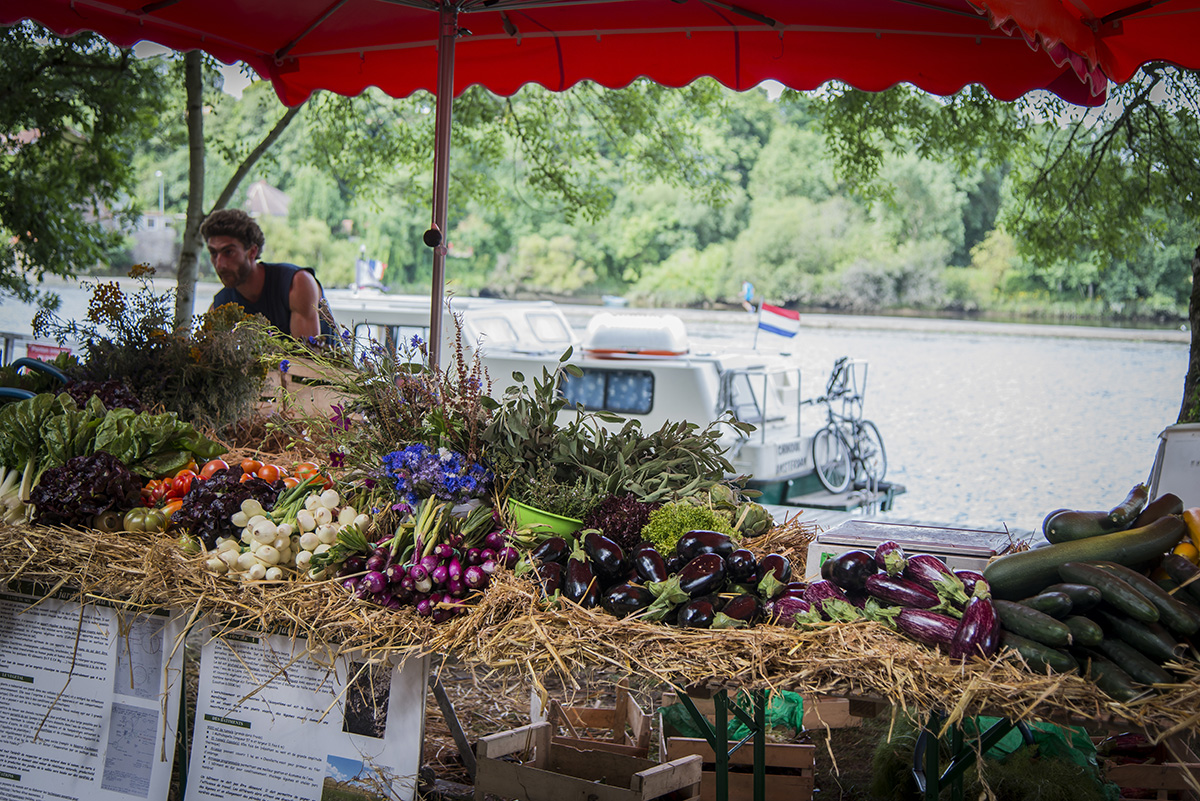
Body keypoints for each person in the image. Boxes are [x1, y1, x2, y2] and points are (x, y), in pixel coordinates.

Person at [201, 208, 335, 341]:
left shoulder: (297, 283)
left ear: (252, 252)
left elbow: (308, 357)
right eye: (214, 253)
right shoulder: (220, 305)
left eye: (228, 252)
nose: (219, 264)